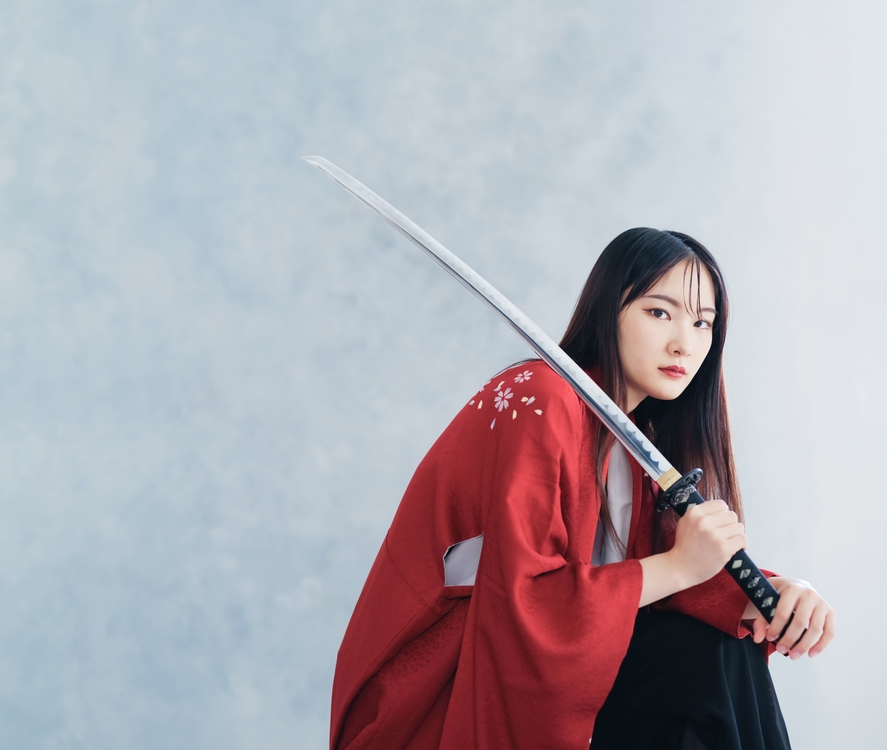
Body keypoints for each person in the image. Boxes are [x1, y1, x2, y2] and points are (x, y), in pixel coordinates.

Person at [329, 228, 835, 750]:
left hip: (569, 672)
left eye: (703, 322)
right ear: (606, 312)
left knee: (719, 647)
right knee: (704, 659)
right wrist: (681, 566)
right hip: (455, 690)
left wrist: (769, 596)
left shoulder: (635, 440)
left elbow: (658, 573)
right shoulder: (540, 397)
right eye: (659, 312)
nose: (685, 342)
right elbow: (524, 606)